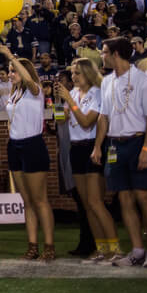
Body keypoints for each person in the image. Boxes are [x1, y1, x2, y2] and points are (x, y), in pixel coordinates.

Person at [91, 36, 147, 267]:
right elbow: (103, 117)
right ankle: (137, 250)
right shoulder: (106, 81)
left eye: (104, 51)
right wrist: (98, 145)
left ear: (116, 54)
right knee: (125, 198)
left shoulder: (143, 80)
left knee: (144, 196)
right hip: (115, 145)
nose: (102, 55)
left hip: (138, 141)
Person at [57, 58, 119, 262]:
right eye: (72, 73)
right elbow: (63, 119)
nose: (73, 77)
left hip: (92, 146)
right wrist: (59, 107)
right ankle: (101, 248)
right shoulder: (73, 93)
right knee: (86, 203)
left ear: (88, 74)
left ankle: (114, 248)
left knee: (95, 201)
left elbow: (86, 122)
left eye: (77, 73)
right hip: (75, 148)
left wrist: (71, 102)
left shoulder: (97, 93)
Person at [0, 45, 56, 261]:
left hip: (33, 145)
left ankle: (49, 246)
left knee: (40, 199)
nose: (11, 74)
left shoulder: (35, 91)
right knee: (27, 201)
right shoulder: (14, 94)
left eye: (14, 71)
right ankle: (32, 246)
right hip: (15, 146)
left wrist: (10, 56)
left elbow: (29, 80)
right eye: (10, 71)